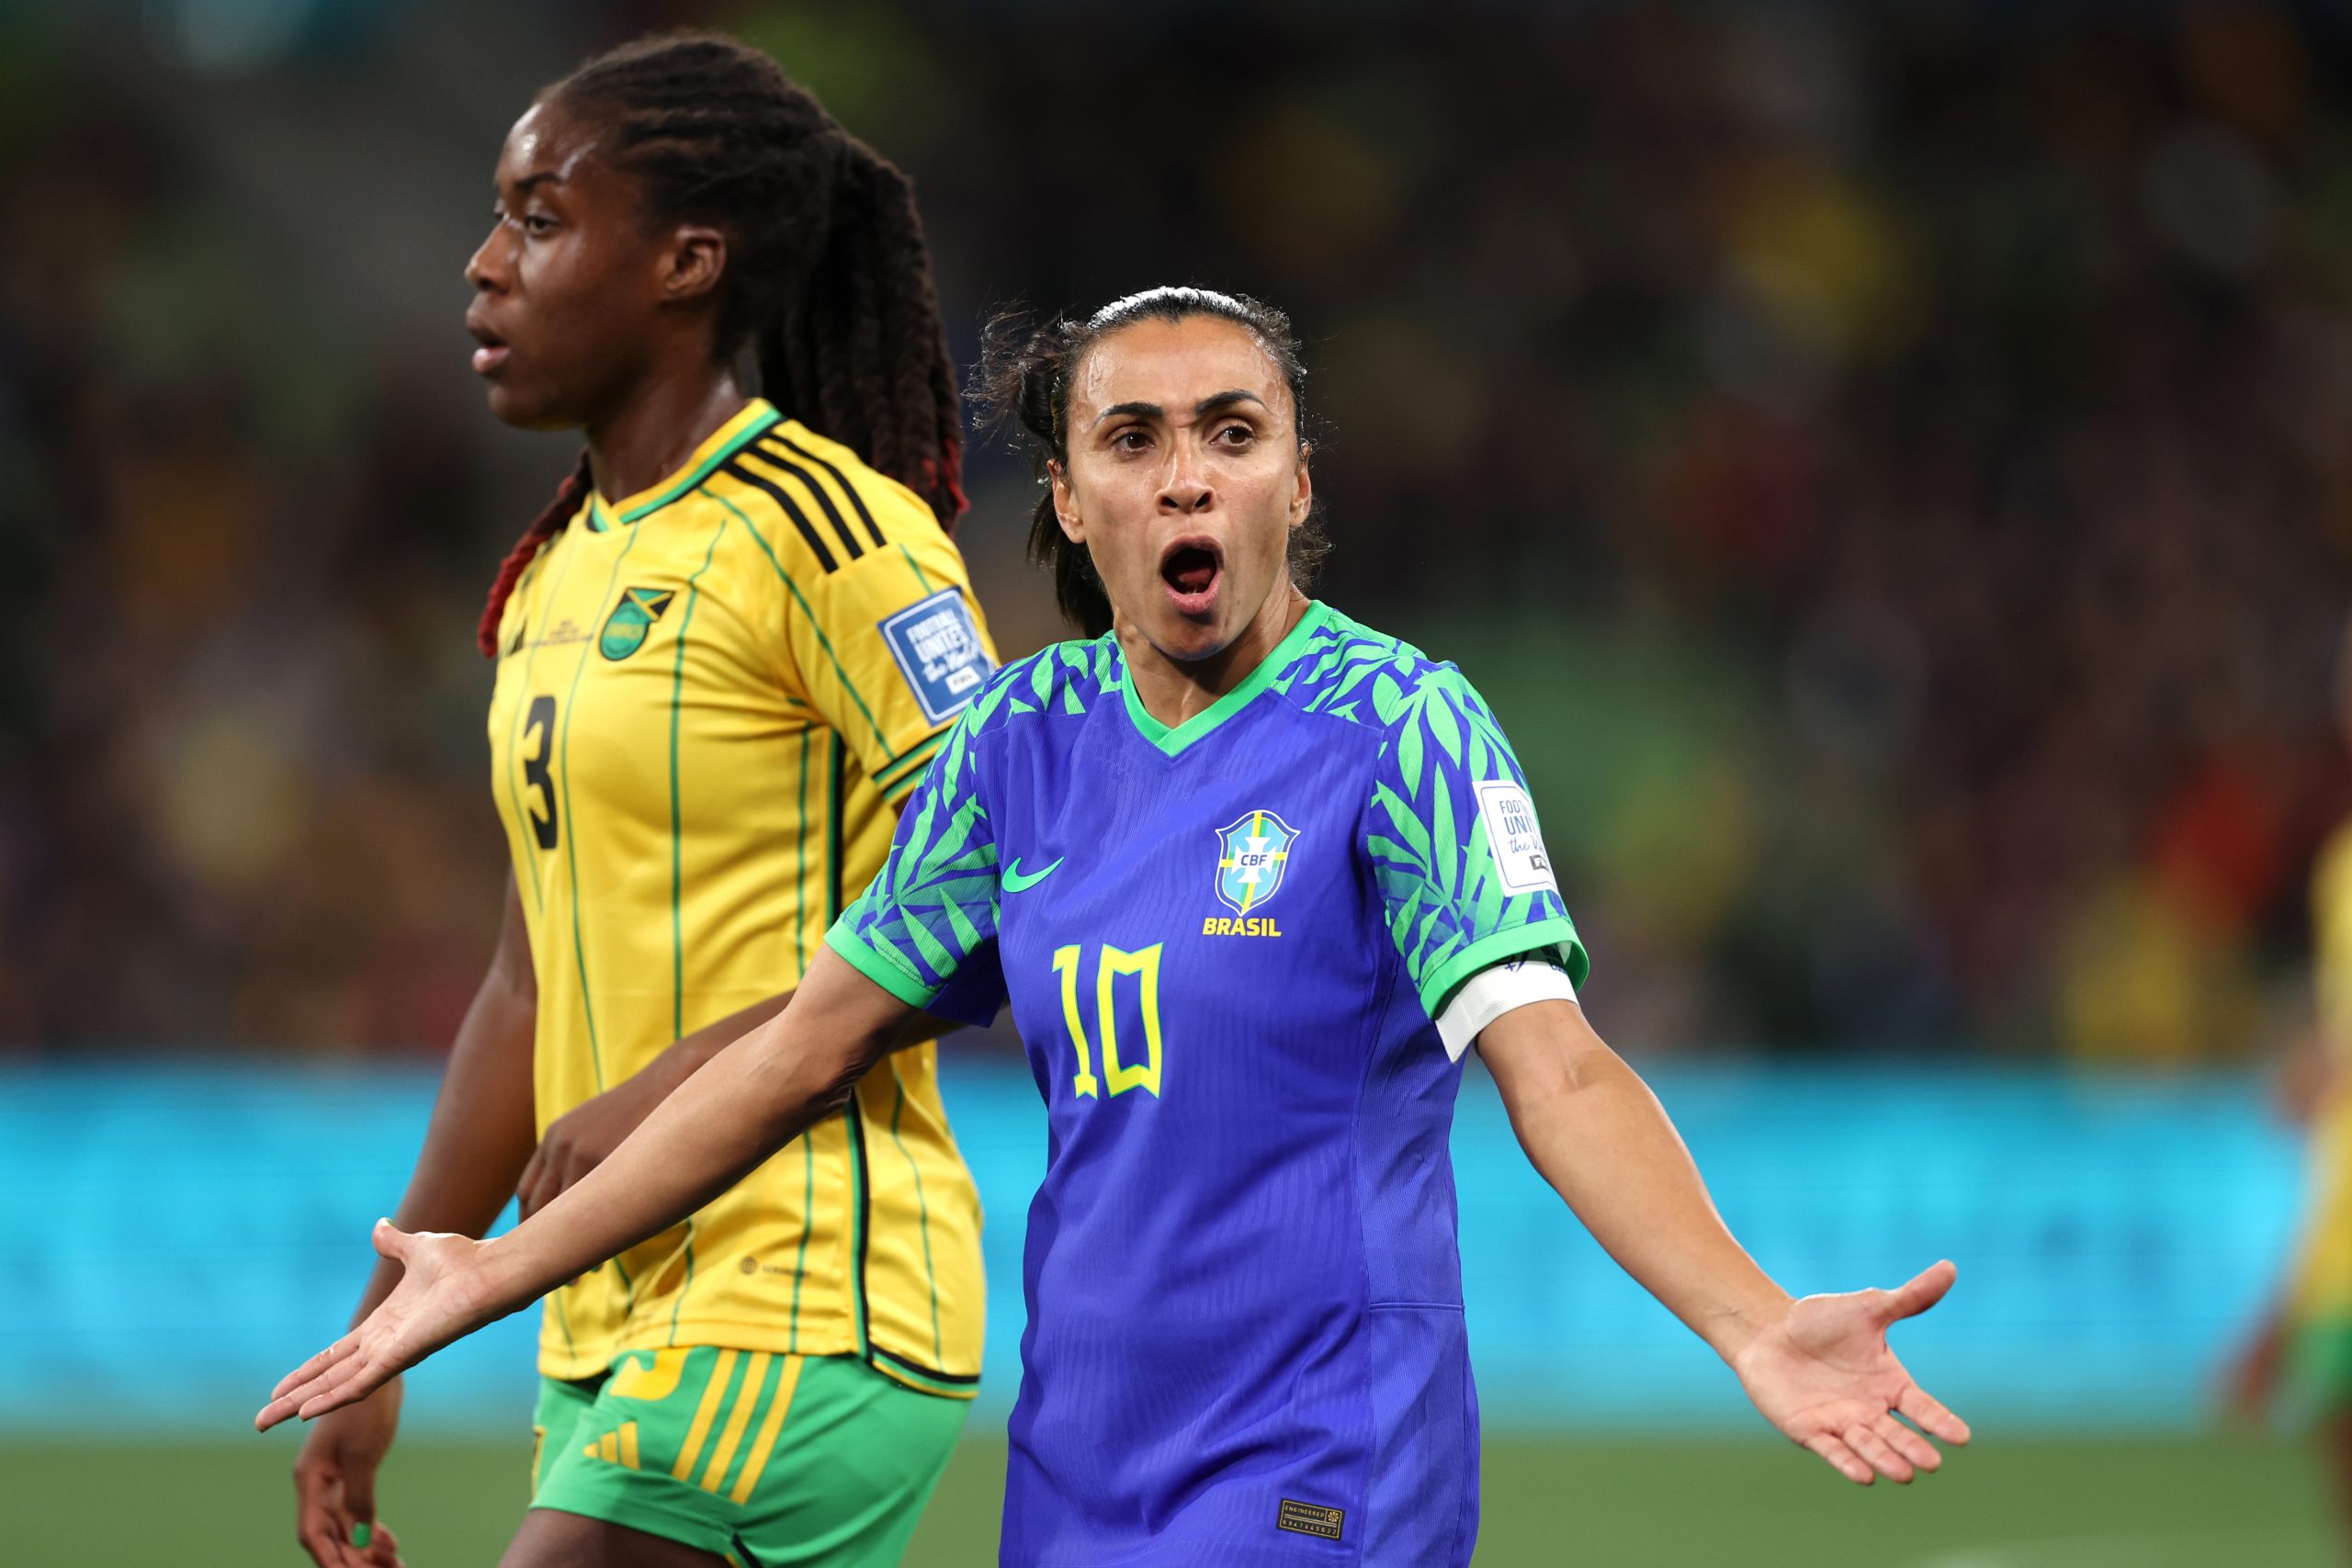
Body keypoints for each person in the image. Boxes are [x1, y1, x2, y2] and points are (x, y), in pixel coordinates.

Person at [263, 288, 1969, 1567]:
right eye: (1131, 443)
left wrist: (1752, 1317)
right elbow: (796, 1055)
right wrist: (492, 1269)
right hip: (1077, 1465)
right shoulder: (1022, 746)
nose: (1185, 481)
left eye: (1233, 433)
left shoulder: (1401, 729)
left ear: (1299, 482)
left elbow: (1561, 1072)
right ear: (1071, 501)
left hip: (1324, 1463)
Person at [288, 32, 996, 1568]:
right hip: (606, 1322)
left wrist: (668, 1087)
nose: (483, 265)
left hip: (806, 1291)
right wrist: (389, 1330)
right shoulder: (556, 571)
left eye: (539, 220)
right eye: (497, 216)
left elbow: (1006, 898)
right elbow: (525, 982)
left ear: (688, 261)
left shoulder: (831, 532)